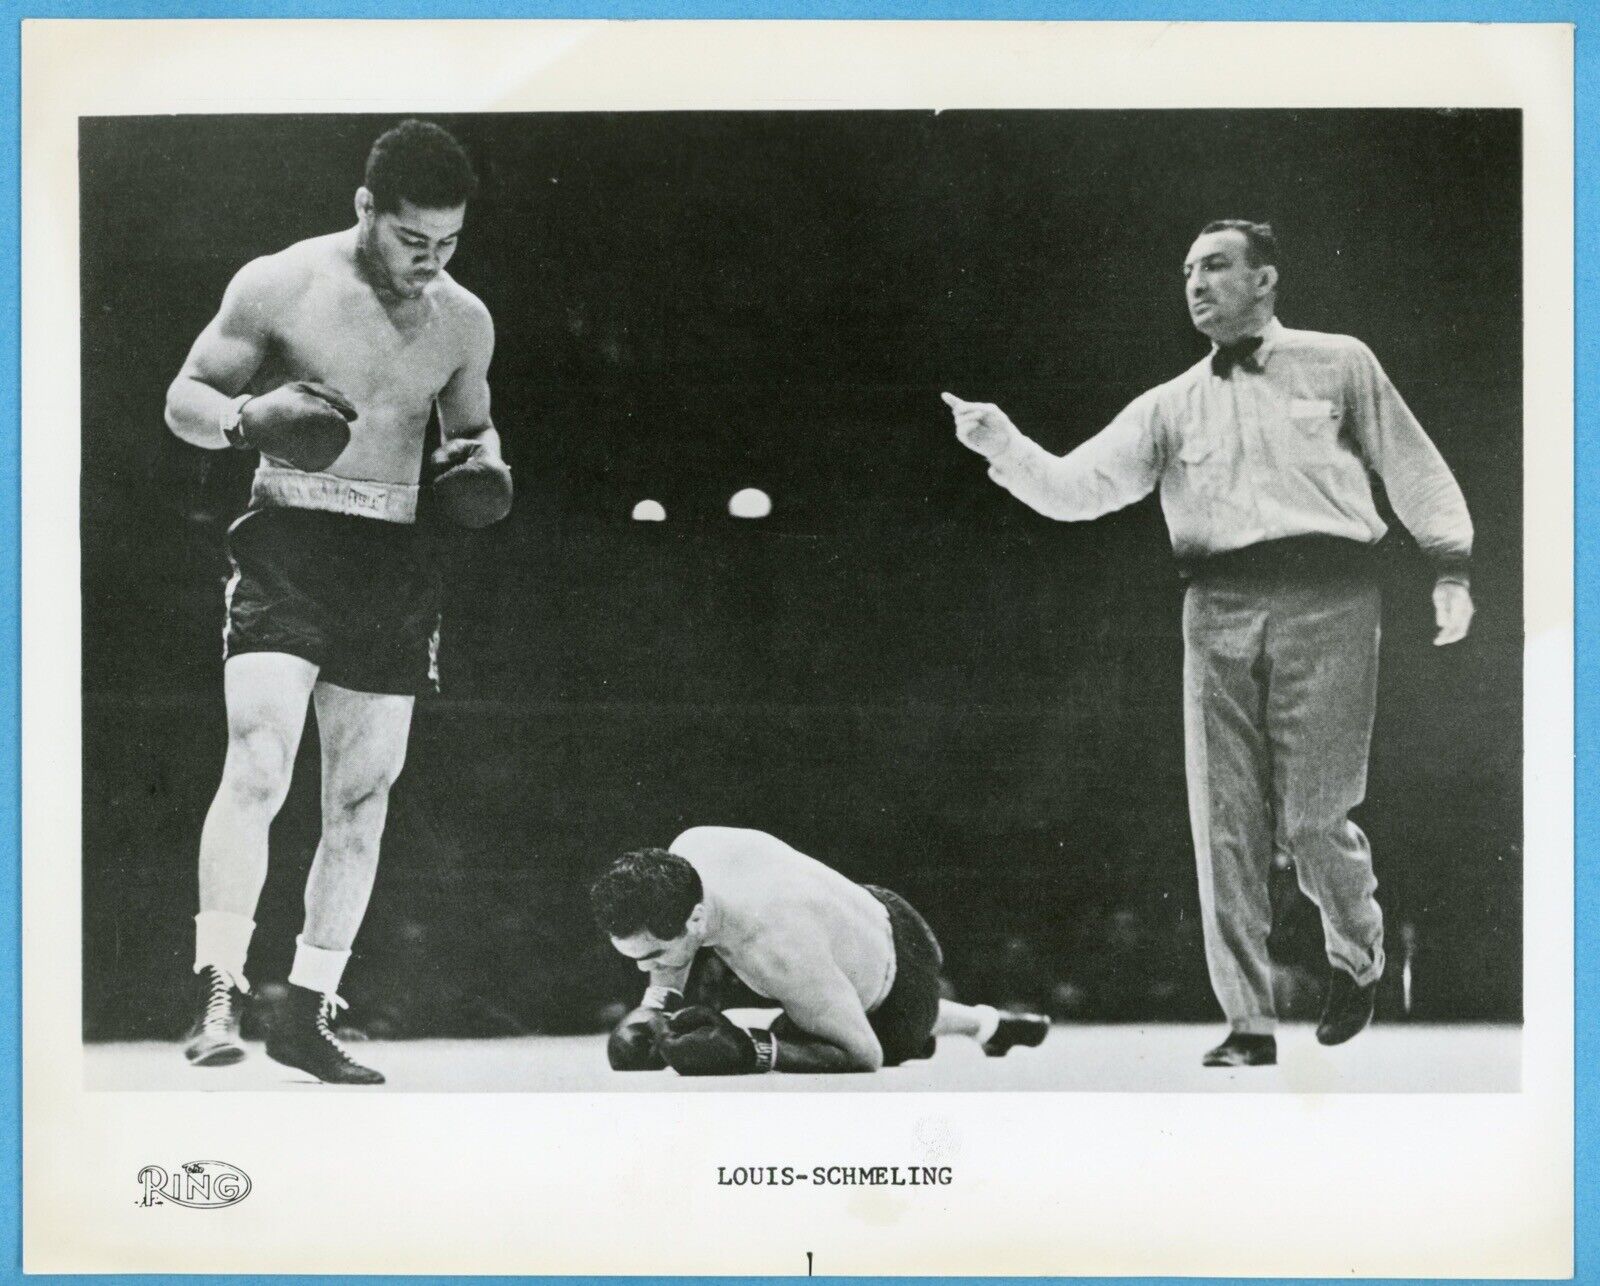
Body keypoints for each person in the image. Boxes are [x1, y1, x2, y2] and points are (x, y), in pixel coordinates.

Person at [942, 219, 1474, 1068]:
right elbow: (1080, 489)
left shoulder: (1340, 360)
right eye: (1188, 269)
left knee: (1311, 819)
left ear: (1265, 280)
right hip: (1216, 605)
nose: (1196, 282)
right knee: (1221, 821)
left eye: (1217, 265)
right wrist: (1004, 445)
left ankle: (1357, 949)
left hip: (1332, 597)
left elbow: (1413, 466)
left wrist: (1451, 565)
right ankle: (1248, 1024)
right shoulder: (1170, 402)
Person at [164, 120, 513, 1084]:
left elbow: (471, 436)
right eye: (412, 240)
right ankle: (218, 986)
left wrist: (481, 469)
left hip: (394, 555)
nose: (430, 262)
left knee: (361, 796)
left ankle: (310, 1009)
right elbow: (183, 398)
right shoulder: (280, 282)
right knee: (261, 757)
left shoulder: (464, 318)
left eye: (448, 243)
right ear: (366, 209)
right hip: (289, 541)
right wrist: (245, 419)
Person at [589, 827, 1050, 1075]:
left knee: (801, 1026)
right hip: (868, 907)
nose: (647, 970)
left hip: (899, 990)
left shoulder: (778, 951)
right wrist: (657, 1004)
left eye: (653, 957)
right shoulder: (689, 851)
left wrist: (753, 1051)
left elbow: (864, 1055)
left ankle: (977, 1025)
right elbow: (676, 935)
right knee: (810, 1006)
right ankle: (993, 1026)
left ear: (694, 920)